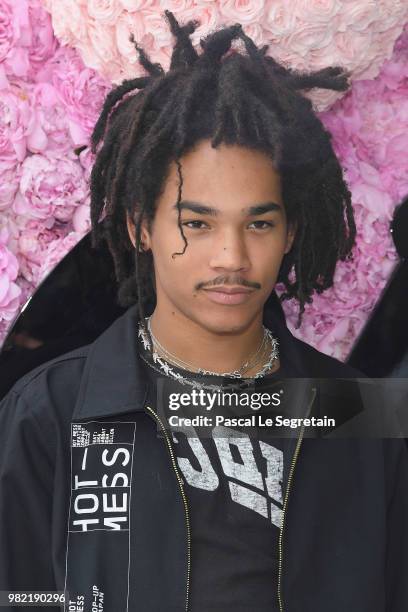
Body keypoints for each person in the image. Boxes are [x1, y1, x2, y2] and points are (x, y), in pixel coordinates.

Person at [0, 10, 407, 612]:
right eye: (197, 222)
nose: (231, 256)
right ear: (140, 225)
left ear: (291, 231)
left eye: (259, 223)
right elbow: (19, 595)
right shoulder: (53, 411)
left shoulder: (362, 416)